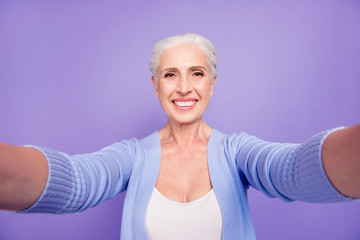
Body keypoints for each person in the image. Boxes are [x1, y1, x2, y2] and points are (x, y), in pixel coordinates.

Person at [0, 33, 359, 240]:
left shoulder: (237, 153)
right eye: (170, 75)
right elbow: (76, 180)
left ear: (212, 84)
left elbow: (294, 170)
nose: (184, 87)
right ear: (155, 86)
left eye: (197, 73)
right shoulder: (133, 156)